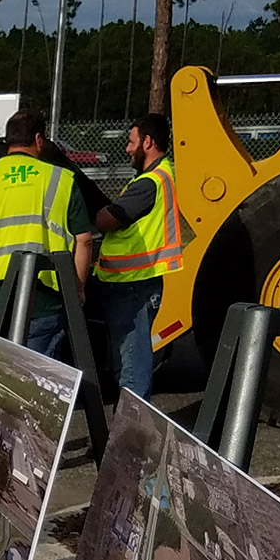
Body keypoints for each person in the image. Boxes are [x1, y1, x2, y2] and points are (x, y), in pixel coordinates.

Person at [0, 108, 98, 360]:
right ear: (39, 140)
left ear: (9, 141)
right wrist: (78, 290)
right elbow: (83, 240)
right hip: (42, 301)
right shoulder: (60, 179)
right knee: (36, 385)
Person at [92, 113, 184, 401]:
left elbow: (108, 220)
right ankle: (130, 428)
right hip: (134, 282)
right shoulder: (158, 176)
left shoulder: (150, 182)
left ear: (147, 141)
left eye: (131, 142)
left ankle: (132, 435)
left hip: (134, 283)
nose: (128, 148)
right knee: (129, 359)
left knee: (132, 363)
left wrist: (96, 216)